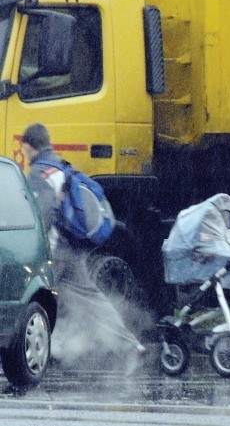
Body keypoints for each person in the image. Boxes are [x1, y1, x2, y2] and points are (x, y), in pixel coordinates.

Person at [22, 123, 146, 374]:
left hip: (53, 251)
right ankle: (129, 345)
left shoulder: (40, 172)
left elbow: (43, 214)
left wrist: (32, 244)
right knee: (90, 298)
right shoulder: (60, 166)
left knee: (26, 295)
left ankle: (27, 352)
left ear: (27, 146)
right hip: (72, 247)